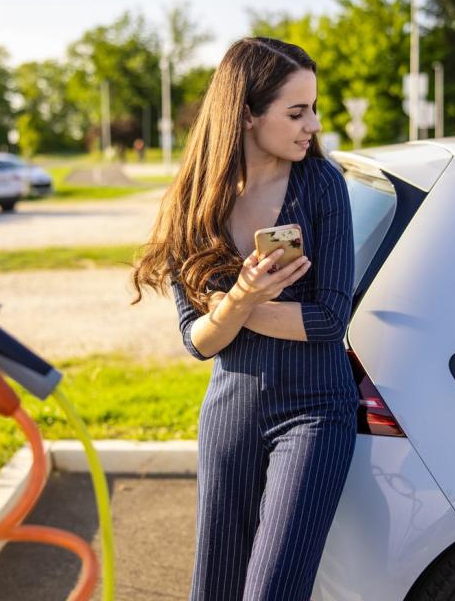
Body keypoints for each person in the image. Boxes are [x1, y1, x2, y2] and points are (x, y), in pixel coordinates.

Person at [130, 37, 357, 600]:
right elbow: (199, 342)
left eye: (313, 109)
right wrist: (241, 300)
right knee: (216, 590)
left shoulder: (321, 184)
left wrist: (238, 306)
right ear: (248, 114)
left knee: (271, 592)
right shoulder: (192, 204)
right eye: (296, 111)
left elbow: (329, 319)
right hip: (232, 412)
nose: (313, 124)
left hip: (315, 413)